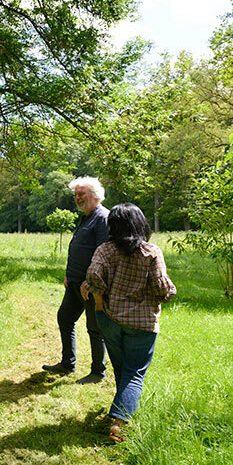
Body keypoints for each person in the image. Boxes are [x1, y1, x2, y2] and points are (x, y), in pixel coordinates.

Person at [82, 203, 176, 442]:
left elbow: (93, 277)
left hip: (109, 319)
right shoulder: (151, 252)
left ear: (112, 225)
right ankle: (119, 424)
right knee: (135, 373)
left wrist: (100, 303)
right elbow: (162, 288)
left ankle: (119, 410)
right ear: (140, 223)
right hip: (142, 324)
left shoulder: (104, 250)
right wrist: (168, 293)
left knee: (122, 368)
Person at [42, 177, 109, 385]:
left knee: (95, 328)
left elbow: (103, 254)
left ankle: (98, 371)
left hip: (90, 286)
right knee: (65, 318)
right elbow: (79, 251)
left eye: (82, 194)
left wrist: (90, 281)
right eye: (76, 195)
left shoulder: (103, 218)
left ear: (95, 195)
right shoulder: (86, 217)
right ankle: (67, 363)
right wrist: (69, 275)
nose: (78, 198)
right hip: (74, 283)